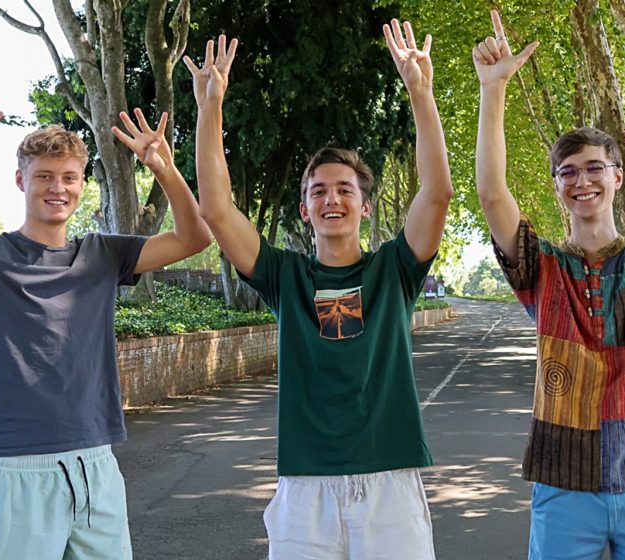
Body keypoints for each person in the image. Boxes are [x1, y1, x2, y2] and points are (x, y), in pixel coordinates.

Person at [0, 94, 212, 559]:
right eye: (44, 176)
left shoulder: (104, 254)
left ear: (82, 182)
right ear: (20, 180)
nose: (58, 188)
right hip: (16, 468)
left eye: (69, 177)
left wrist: (164, 168)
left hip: (96, 464)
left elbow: (195, 238)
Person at [185, 20, 453, 560]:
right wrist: (210, 106)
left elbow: (437, 191)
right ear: (304, 209)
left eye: (345, 189)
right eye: (318, 191)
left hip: (389, 481)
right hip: (305, 487)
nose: (333, 199)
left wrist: (421, 95)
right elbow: (215, 208)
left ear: (365, 205)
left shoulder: (395, 270)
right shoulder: (285, 276)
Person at [471, 2, 625, 558]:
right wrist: (493, 91)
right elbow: (490, 194)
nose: (581, 181)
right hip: (563, 479)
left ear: (617, 176)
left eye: (593, 168)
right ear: (557, 187)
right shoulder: (542, 269)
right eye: (567, 172)